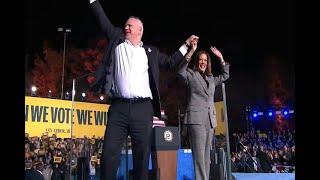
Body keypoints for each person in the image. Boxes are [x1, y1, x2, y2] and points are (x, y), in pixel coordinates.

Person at [88, 0, 199, 179]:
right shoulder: (117, 40)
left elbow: (170, 61)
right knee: (108, 155)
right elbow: (102, 19)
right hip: (118, 109)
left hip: (143, 110)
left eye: (130, 26)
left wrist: (186, 45)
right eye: (125, 25)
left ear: (140, 30)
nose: (126, 28)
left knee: (141, 157)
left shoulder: (151, 52)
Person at [178, 41, 230, 180]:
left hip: (210, 120)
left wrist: (221, 58)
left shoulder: (211, 78)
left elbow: (225, 76)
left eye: (205, 60)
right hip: (196, 120)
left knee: (207, 157)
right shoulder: (191, 74)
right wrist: (191, 51)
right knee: (199, 156)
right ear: (197, 61)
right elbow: (180, 70)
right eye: (200, 60)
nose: (203, 62)